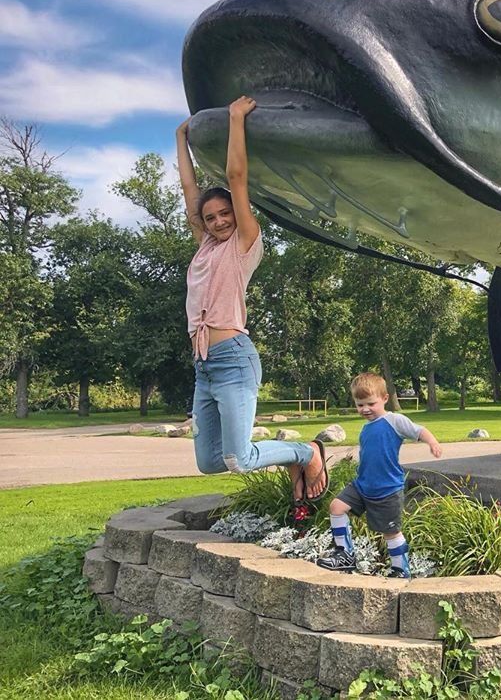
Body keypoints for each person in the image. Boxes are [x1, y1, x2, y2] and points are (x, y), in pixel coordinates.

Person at [177, 96, 326, 502]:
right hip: (204, 366)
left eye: (225, 213)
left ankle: (305, 451)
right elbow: (189, 189)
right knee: (209, 462)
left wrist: (235, 118)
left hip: (234, 360)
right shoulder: (205, 248)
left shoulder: (243, 245)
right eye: (211, 217)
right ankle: (296, 456)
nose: (219, 220)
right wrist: (181, 139)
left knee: (239, 457)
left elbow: (236, 176)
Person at [317, 372, 443, 576]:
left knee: (390, 532)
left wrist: (433, 442)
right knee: (336, 507)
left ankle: (401, 569)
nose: (365, 409)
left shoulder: (394, 421)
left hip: (387, 490)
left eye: (370, 403)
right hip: (362, 485)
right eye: (360, 405)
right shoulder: (366, 428)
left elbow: (419, 430)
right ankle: (345, 555)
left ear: (385, 399)